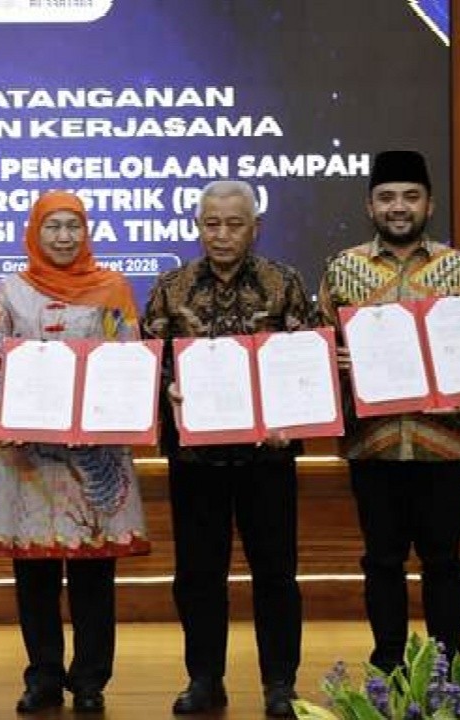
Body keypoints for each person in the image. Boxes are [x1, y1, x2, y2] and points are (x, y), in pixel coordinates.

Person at [0, 191, 151, 715]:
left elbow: (129, 364)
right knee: (35, 576)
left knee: (94, 575)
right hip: (28, 458)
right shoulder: (11, 291)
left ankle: (91, 680)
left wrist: (104, 412)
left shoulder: (112, 289)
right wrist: (2, 414)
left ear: (87, 232)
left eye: (74, 226)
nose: (64, 237)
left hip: (95, 455)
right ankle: (43, 678)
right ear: (35, 232)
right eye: (53, 226)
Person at [142, 179, 309, 717]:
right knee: (197, 575)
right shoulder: (171, 287)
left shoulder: (285, 283)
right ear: (197, 226)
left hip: (268, 455)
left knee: (276, 573)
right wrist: (165, 388)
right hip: (196, 458)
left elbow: (307, 363)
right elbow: (148, 361)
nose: (221, 234)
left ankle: (280, 683)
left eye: (234, 224)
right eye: (211, 223)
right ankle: (204, 679)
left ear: (255, 228)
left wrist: (293, 415)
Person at [317, 149, 460, 673]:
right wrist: (334, 360)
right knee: (382, 561)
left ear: (429, 205)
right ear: (369, 206)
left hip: (444, 442)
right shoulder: (343, 268)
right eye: (387, 197)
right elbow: (315, 346)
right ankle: (388, 669)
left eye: (410, 196)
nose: (398, 206)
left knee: (444, 560)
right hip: (375, 442)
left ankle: (448, 669)